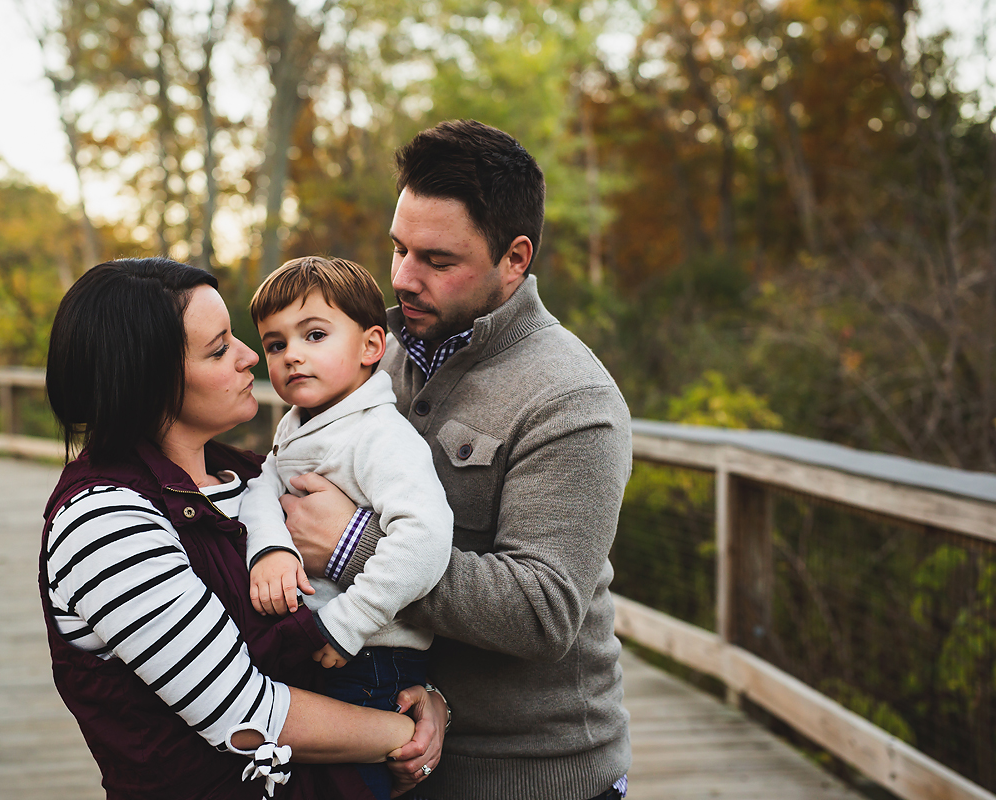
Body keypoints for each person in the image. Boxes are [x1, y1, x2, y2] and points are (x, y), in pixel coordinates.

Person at [279, 119, 633, 800]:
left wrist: (355, 543)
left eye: (438, 261)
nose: (404, 277)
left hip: (530, 777)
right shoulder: (360, 353)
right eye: (398, 248)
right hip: (383, 751)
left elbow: (542, 611)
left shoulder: (572, 397)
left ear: (515, 258)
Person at [40, 257, 446, 800]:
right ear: (147, 379)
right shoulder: (104, 519)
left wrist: (424, 696)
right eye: (219, 348)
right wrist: (411, 733)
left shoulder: (261, 476)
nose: (251, 356)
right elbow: (247, 715)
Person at [238, 255, 454, 800]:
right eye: (276, 344)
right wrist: (270, 552)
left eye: (314, 335)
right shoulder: (299, 427)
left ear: (370, 347)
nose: (292, 356)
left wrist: (350, 623)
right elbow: (262, 486)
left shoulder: (379, 436)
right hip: (321, 647)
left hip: (372, 657)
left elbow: (425, 540)